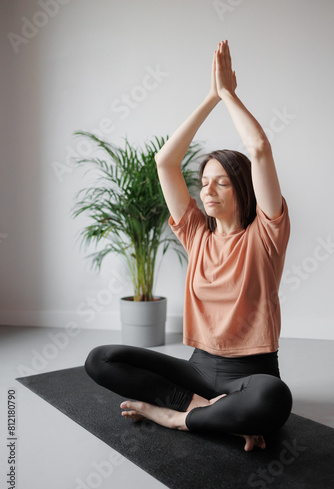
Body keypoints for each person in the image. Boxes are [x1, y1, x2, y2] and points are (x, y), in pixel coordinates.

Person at [85, 40, 293, 452]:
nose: (208, 190)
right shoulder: (196, 231)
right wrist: (209, 97)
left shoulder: (266, 234)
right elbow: (165, 161)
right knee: (100, 359)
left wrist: (229, 94)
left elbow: (260, 149)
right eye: (204, 182)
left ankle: (174, 418)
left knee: (274, 399)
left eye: (222, 181)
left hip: (251, 373)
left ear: (244, 189)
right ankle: (204, 411)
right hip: (198, 370)